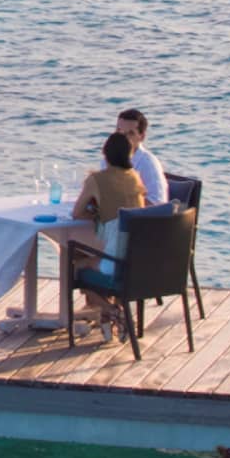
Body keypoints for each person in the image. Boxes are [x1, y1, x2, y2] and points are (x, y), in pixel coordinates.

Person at [72, 131, 145, 341]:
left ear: (105, 155)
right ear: (129, 155)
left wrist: (94, 212)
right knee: (84, 254)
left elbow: (76, 213)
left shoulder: (96, 179)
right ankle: (107, 321)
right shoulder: (135, 178)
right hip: (138, 262)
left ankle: (112, 311)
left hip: (115, 262)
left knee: (73, 265)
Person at [115, 108, 168, 205]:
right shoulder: (109, 158)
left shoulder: (148, 164)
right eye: (119, 131)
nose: (123, 137)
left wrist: (121, 203)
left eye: (130, 133)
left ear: (142, 137)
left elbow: (157, 203)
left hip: (133, 218)